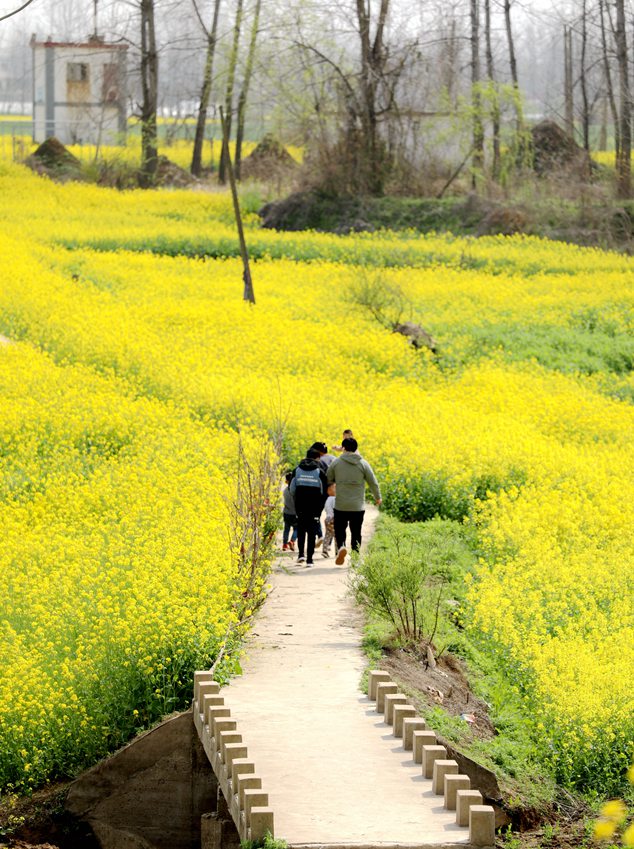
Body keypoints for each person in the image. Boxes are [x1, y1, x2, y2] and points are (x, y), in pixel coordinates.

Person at [326, 437, 381, 565]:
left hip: (341, 504)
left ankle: (342, 547)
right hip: (357, 506)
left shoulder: (337, 462)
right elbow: (373, 482)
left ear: (343, 448)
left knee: (340, 529)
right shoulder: (363, 463)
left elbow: (329, 476)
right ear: (356, 448)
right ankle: (355, 559)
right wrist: (378, 497)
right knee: (356, 531)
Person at [290, 448, 328, 566]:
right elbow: (324, 492)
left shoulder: (297, 470)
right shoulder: (319, 472)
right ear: (317, 458)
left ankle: (301, 555)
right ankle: (310, 560)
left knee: (301, 530)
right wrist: (320, 507)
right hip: (314, 507)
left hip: (300, 506)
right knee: (312, 532)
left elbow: (291, 489)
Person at [282, 471, 297, 552]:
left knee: (286, 529)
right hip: (295, 513)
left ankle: (284, 545)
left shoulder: (285, 491)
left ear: (286, 481)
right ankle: (292, 541)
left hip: (287, 513)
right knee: (297, 529)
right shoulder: (296, 491)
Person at [321, 484, 336, 558]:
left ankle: (324, 550)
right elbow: (336, 509)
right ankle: (337, 552)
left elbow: (326, 509)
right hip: (333, 519)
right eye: (335, 488)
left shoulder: (327, 499)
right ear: (329, 491)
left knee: (327, 535)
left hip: (327, 519)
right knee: (337, 536)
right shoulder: (334, 499)